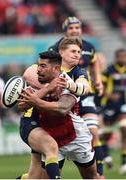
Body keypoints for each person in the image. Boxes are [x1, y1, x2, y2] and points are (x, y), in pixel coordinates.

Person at [18, 49, 99, 179]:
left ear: (56, 68)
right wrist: (47, 89)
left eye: (43, 66)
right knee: (43, 169)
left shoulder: (67, 83)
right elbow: (22, 105)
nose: (38, 69)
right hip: (49, 134)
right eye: (38, 65)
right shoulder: (37, 79)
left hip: (75, 136)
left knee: (91, 176)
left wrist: (36, 101)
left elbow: (62, 109)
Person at [49, 16, 104, 177]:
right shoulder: (55, 48)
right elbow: (40, 70)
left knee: (93, 131)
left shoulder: (89, 47)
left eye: (77, 27)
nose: (75, 30)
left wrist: (98, 80)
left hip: (83, 93)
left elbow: (94, 63)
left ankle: (100, 174)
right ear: (65, 30)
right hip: (61, 99)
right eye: (71, 28)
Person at [101, 48, 126, 174]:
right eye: (120, 56)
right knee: (107, 134)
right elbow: (100, 87)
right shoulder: (108, 71)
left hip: (123, 106)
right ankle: (106, 156)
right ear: (116, 57)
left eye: (124, 56)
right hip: (110, 105)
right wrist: (110, 96)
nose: (123, 58)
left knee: (124, 129)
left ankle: (124, 163)